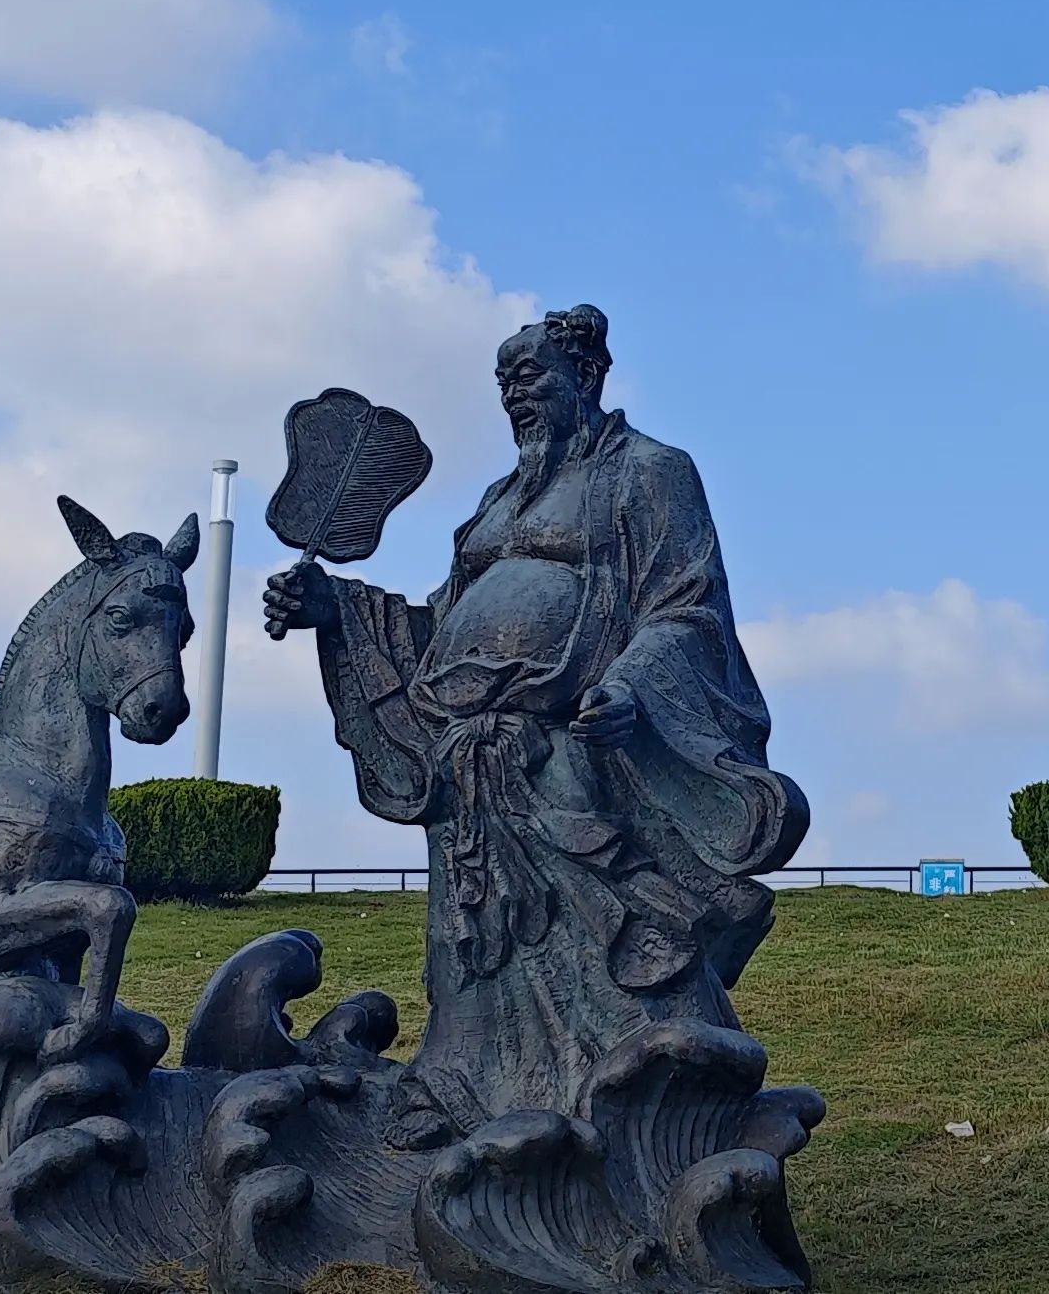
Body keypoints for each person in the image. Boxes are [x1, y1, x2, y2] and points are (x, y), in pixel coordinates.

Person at [265, 305, 807, 1143]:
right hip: (468, 761)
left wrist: (630, 688)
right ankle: (469, 1093)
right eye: (502, 382)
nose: (513, 395)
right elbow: (441, 625)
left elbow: (686, 604)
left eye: (529, 376)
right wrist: (334, 606)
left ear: (585, 374)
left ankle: (646, 1104)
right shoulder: (495, 501)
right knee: (475, 944)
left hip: (573, 743)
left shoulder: (649, 472)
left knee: (617, 933)